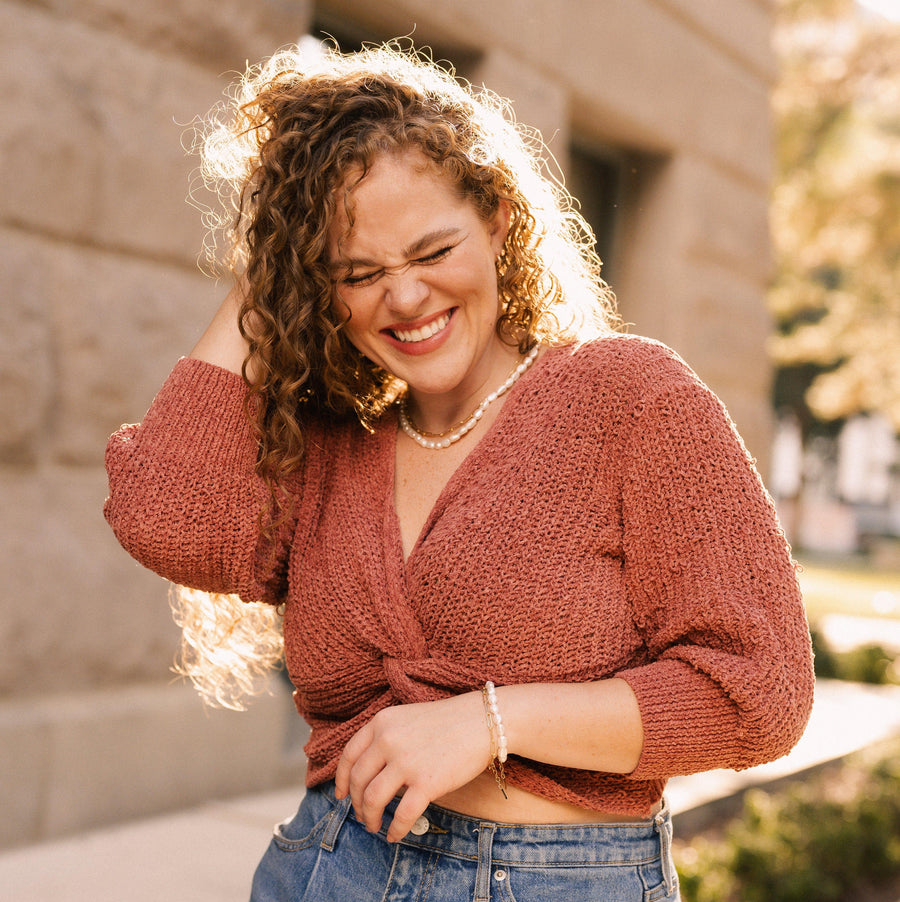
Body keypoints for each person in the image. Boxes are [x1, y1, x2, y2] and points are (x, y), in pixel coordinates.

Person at [104, 41, 815, 902]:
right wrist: (271, 263)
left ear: (498, 221)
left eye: (432, 251)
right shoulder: (335, 445)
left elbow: (758, 692)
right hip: (332, 868)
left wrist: (489, 723)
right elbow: (164, 517)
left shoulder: (627, 397)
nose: (403, 298)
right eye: (359, 273)